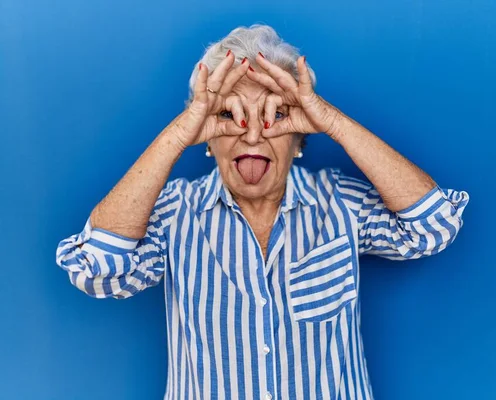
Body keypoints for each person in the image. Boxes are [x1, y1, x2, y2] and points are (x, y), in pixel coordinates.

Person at [56, 24, 469, 400]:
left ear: (300, 139)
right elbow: (95, 270)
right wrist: (181, 131)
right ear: (207, 136)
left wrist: (328, 119)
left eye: (276, 115)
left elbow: (434, 226)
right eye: (228, 115)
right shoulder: (175, 214)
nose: (252, 134)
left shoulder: (342, 202)